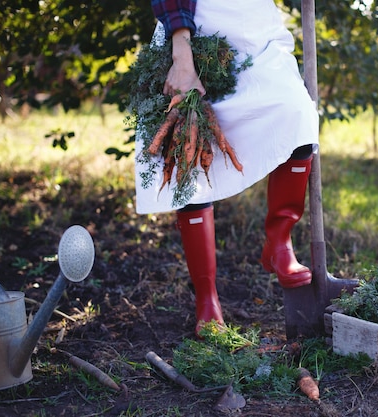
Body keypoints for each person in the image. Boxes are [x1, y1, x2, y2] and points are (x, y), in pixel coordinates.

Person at [136, 0, 319, 337]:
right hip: (194, 30)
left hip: (257, 35)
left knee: (297, 114)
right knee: (186, 155)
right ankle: (207, 299)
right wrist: (181, 55)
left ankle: (279, 243)